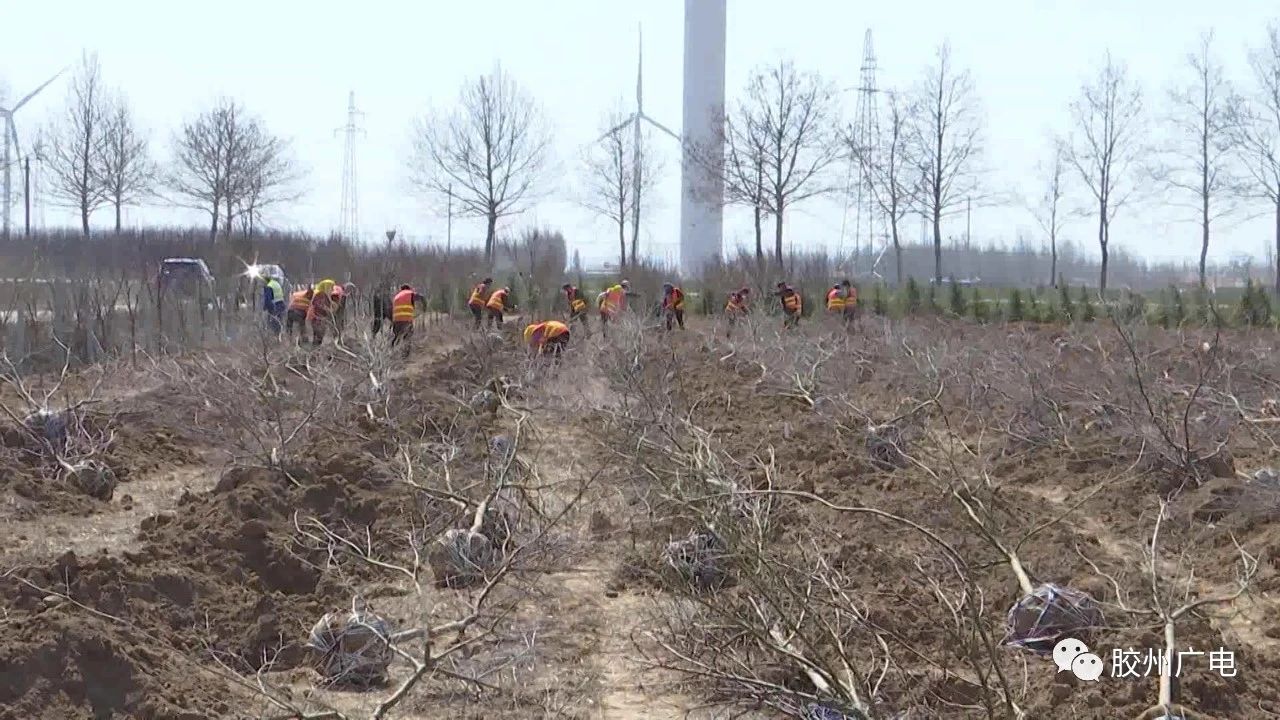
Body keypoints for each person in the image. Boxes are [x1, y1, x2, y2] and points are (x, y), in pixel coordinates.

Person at [391, 284, 425, 349]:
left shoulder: (396, 296)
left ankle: (392, 351)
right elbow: (421, 297)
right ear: (408, 289)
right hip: (406, 320)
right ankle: (406, 355)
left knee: (396, 337)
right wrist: (424, 308)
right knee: (407, 338)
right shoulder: (410, 293)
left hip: (396, 321)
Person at [307, 279, 337, 345]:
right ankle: (315, 351)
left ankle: (315, 351)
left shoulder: (325, 295)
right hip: (317, 318)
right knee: (318, 336)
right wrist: (328, 310)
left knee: (320, 336)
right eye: (330, 287)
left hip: (322, 319)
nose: (332, 289)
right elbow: (318, 305)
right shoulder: (320, 294)